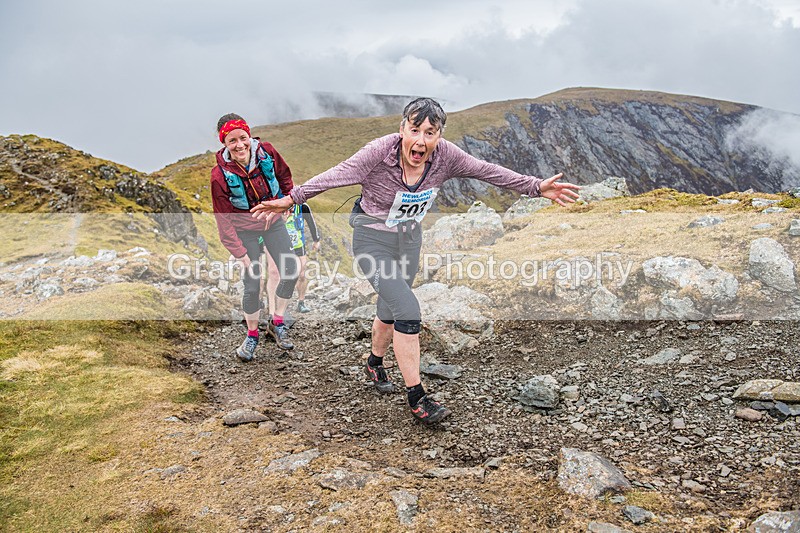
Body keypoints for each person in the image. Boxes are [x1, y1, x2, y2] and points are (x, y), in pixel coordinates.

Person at [251, 98, 580, 424]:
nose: (421, 140)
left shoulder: (445, 156)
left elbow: (486, 171)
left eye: (430, 132)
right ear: (402, 129)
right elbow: (338, 174)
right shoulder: (379, 152)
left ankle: (374, 363)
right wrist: (291, 200)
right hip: (371, 240)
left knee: (392, 307)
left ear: (439, 136)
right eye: (415, 130)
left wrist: (536, 187)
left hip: (409, 241)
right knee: (408, 309)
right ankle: (417, 397)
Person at [211, 113, 298, 361]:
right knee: (252, 284)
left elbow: (285, 177)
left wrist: (286, 203)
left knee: (290, 270)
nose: (239, 145)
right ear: (224, 144)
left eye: (243, 137)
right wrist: (239, 253)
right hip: (244, 230)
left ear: (249, 135)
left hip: (272, 221)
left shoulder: (267, 152)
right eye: (232, 141)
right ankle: (251, 336)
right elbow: (223, 218)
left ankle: (276, 322)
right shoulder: (219, 176)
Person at [283, 203, 322, 313]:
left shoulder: (302, 207)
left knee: (302, 275)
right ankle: (281, 305)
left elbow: (311, 222)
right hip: (282, 247)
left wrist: (316, 240)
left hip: (299, 246)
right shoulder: (279, 205)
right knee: (284, 276)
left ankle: (301, 302)